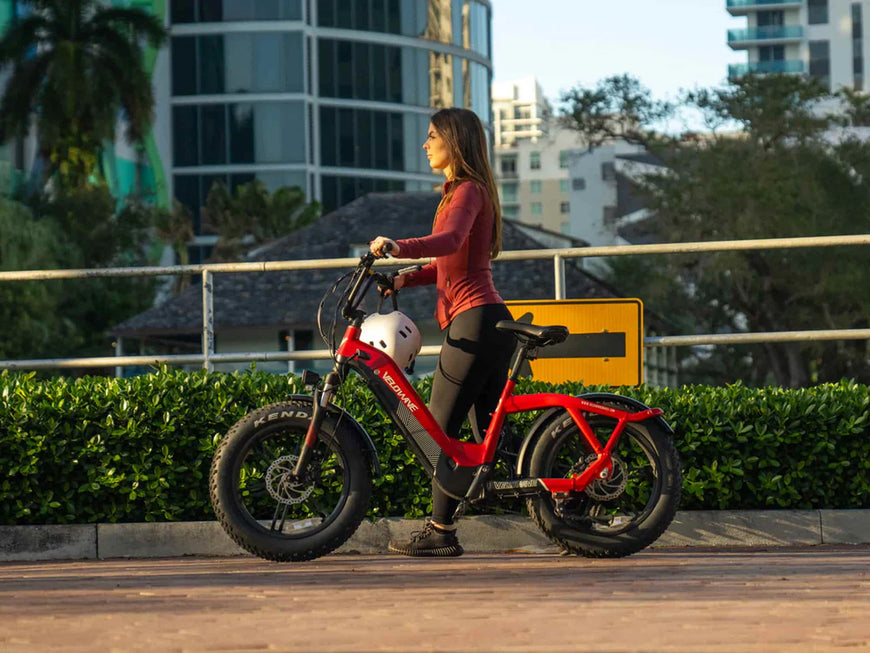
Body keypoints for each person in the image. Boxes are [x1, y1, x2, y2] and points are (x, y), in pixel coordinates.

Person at [369, 107, 515, 557]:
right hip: (486, 321)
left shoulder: (467, 191)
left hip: (474, 322)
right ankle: (560, 510)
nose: (425, 144)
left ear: (454, 140)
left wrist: (397, 247)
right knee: (487, 435)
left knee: (439, 430)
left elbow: (449, 243)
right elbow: (447, 264)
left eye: (432, 136)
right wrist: (404, 277)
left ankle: (441, 532)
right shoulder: (460, 193)